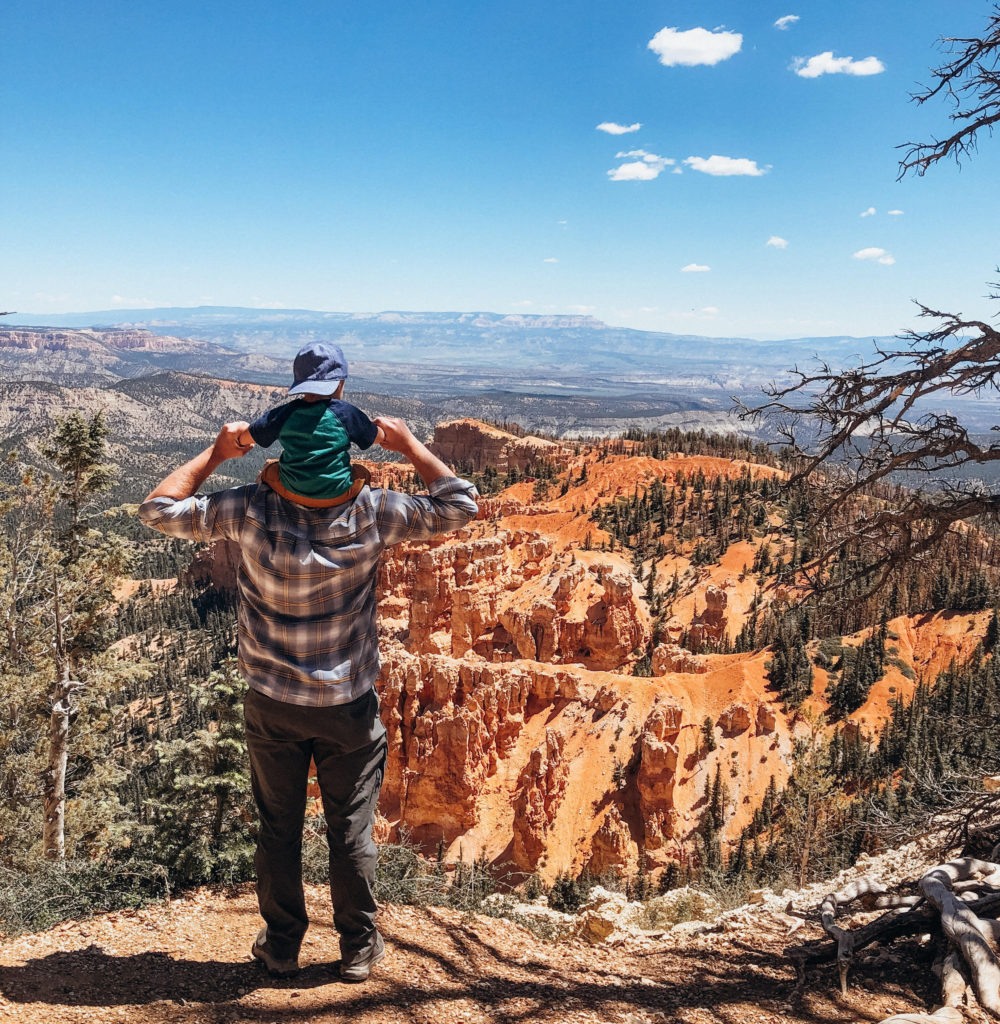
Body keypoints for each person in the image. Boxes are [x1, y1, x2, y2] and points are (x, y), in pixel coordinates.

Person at [137, 414, 478, 982]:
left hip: (272, 703)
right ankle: (358, 948)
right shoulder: (376, 510)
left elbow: (157, 510)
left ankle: (281, 946)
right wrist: (409, 443)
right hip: (348, 705)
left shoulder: (247, 509)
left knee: (278, 827)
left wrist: (218, 453)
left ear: (282, 465)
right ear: (344, 463)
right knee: (351, 831)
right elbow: (461, 504)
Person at [237, 341, 386, 508]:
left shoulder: (284, 413)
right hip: (338, 495)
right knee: (362, 472)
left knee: (270, 471)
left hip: (290, 491)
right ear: (340, 383)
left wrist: (239, 438)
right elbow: (378, 437)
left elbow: (247, 437)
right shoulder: (346, 414)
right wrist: (381, 429)